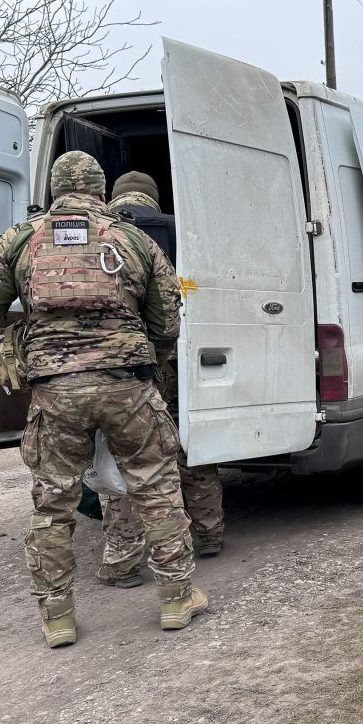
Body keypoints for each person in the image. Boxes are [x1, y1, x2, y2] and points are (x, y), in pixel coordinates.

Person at [0, 151, 208, 648]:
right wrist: (145, 366)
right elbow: (168, 320)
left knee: (53, 502)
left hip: (55, 389)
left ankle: (57, 618)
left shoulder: (20, 240)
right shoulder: (133, 238)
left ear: (54, 191)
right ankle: (177, 599)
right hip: (127, 384)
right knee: (156, 488)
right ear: (101, 192)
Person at [95, 172, 226, 589]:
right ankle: (206, 533)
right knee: (186, 444)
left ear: (112, 197)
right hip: (165, 362)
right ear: (154, 199)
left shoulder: (89, 233)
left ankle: (125, 558)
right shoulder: (174, 229)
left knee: (120, 458)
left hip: (106, 368)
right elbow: (183, 300)